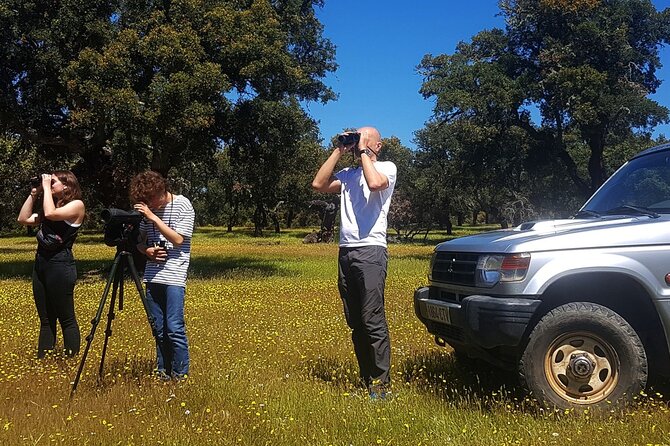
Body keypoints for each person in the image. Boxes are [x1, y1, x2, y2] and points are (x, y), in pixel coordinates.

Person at [311, 126, 397, 398]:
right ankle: (366, 379)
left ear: (378, 145)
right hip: (346, 251)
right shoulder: (347, 176)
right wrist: (339, 149)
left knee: (372, 318)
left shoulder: (387, 167)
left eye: (364, 138)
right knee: (355, 321)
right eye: (356, 137)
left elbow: (374, 184)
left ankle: (381, 385)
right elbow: (319, 184)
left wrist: (362, 152)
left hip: (371, 251)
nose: (358, 141)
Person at [129, 171, 195, 381]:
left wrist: (153, 217)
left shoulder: (183, 204)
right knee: (158, 329)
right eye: (144, 201)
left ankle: (180, 375)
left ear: (160, 191)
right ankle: (163, 373)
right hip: (152, 276)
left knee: (174, 328)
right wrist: (145, 251)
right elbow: (139, 241)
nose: (148, 204)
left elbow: (177, 239)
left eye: (150, 200)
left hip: (174, 277)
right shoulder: (148, 212)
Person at [17, 171, 85, 358]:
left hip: (60, 265)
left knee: (66, 318)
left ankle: (71, 360)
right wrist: (34, 193)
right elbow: (23, 219)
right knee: (46, 320)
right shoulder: (50, 203)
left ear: (66, 185)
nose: (49, 184)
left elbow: (50, 214)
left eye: (53, 182)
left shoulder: (76, 205)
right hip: (41, 264)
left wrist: (45, 188)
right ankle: (43, 360)